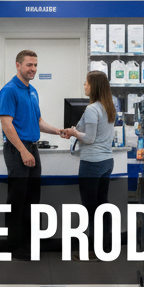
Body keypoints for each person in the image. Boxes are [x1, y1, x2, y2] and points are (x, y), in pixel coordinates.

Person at [0, 49, 63, 260]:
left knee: (32, 198)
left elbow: (38, 121)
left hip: (32, 148)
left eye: (35, 65)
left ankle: (28, 242)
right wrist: (23, 151)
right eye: (29, 65)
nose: (33, 69)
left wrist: (58, 131)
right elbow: (7, 125)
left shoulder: (32, 90)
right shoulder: (9, 91)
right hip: (18, 150)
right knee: (17, 199)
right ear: (18, 65)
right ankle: (14, 246)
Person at [61, 70, 116, 256]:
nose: (84, 86)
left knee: (91, 207)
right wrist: (75, 131)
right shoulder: (108, 106)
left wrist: (75, 133)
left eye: (86, 83)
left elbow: (90, 139)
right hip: (107, 161)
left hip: (92, 162)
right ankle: (105, 246)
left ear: (94, 86)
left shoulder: (92, 109)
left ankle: (93, 249)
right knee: (103, 204)